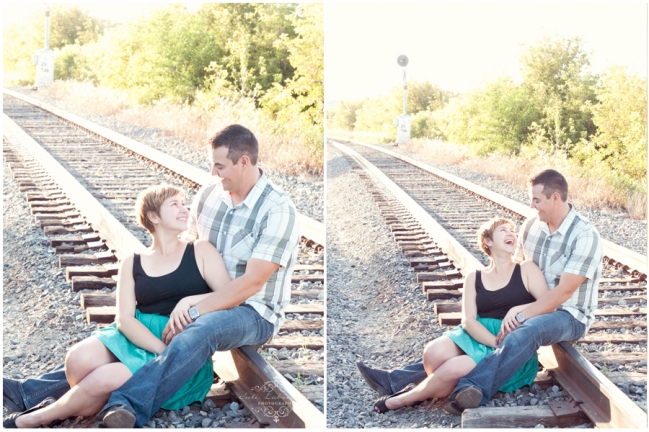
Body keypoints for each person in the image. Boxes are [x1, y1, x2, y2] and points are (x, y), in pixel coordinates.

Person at [3, 124, 300, 428]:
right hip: (212, 296)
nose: (213, 172)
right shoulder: (212, 195)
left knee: (201, 328)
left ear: (244, 162)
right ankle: (33, 392)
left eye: (220, 165)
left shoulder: (277, 211)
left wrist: (195, 306)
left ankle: (127, 401)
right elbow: (190, 253)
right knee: (97, 355)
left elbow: (252, 283)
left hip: (252, 311)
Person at [357, 169, 603, 415]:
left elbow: (564, 292)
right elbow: (516, 273)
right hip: (536, 307)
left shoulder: (584, 235)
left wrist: (521, 313)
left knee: (527, 330)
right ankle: (396, 381)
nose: (532, 205)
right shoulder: (533, 225)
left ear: (556, 197)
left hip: (568, 314)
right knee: (454, 345)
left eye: (536, 200)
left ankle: (472, 386)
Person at [4, 184, 231, 428]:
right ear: (153, 216)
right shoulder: (132, 262)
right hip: (139, 337)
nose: (184, 210)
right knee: (77, 359)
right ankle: (95, 401)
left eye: (183, 204)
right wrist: (159, 350)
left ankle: (32, 418)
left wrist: (190, 302)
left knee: (103, 377)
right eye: (174, 204)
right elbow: (124, 319)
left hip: (182, 346)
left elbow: (230, 296)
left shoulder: (200, 251)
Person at [372, 217, 549, 413]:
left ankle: (404, 398)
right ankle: (438, 387)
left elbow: (548, 304)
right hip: (479, 334)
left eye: (512, 231)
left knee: (453, 368)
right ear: (488, 241)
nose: (511, 234)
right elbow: (468, 321)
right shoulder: (474, 277)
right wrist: (492, 341)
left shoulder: (526, 269)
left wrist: (516, 315)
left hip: (512, 342)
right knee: (433, 353)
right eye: (503, 230)